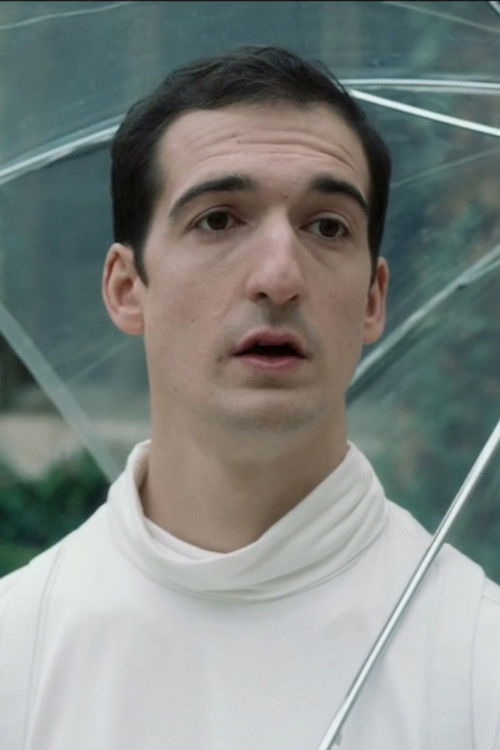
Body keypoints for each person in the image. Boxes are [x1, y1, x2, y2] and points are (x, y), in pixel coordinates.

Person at [0, 46, 499, 750]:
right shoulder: (17, 655)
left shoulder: (478, 666)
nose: (279, 277)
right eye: (218, 219)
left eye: (327, 226)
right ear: (126, 287)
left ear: (372, 299)